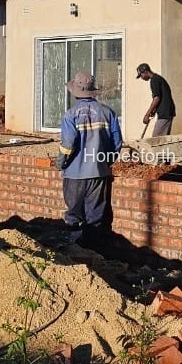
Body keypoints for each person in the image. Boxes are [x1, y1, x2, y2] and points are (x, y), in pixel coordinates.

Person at [58, 71, 122, 246]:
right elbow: (116, 143)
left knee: (73, 216)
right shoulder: (107, 112)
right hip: (98, 174)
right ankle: (94, 252)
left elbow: (68, 143)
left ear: (75, 92)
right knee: (95, 217)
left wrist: (61, 163)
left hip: (74, 175)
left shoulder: (71, 114)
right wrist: (105, 162)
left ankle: (74, 251)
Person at [135, 63, 176, 136]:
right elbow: (161, 96)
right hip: (167, 111)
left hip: (165, 113)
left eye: (141, 75)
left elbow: (157, 98)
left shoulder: (154, 80)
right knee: (162, 138)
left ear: (146, 72)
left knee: (156, 138)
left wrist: (147, 114)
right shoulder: (158, 78)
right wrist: (154, 110)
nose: (141, 78)